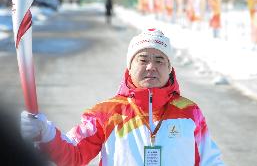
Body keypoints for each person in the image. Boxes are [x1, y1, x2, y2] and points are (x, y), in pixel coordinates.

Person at [21, 28, 226, 166]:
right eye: (143, 59)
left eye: (160, 60)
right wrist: (45, 133)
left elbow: (210, 161)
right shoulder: (105, 114)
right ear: (130, 66)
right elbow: (73, 154)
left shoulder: (189, 112)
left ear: (170, 68)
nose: (151, 67)